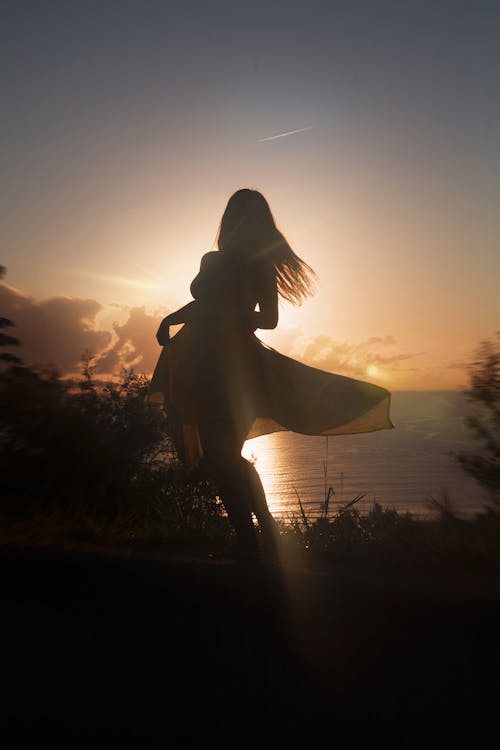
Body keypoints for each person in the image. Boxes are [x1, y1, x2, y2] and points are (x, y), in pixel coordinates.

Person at [149, 188, 393, 560]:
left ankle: (260, 539)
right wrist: (172, 317)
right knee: (220, 457)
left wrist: (230, 318)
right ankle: (255, 541)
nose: (235, 223)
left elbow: (270, 320)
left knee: (224, 456)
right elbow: (202, 304)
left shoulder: (259, 265)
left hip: (236, 367)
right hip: (199, 362)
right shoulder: (210, 259)